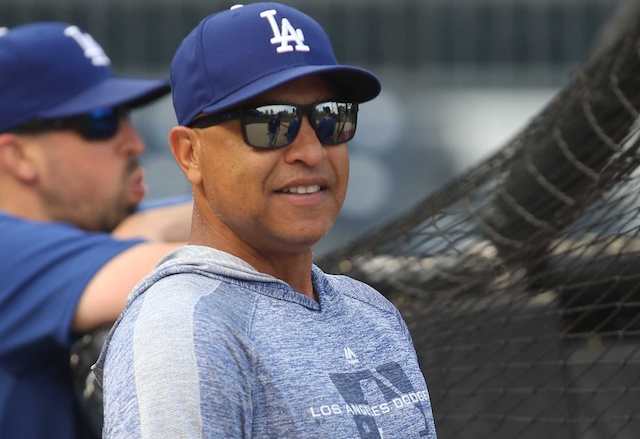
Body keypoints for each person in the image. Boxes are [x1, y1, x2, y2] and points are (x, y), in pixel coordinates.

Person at [95, 3, 437, 438]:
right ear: (189, 153)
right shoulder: (184, 331)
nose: (311, 152)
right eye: (272, 123)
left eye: (332, 117)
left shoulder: (372, 312)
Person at [0, 22, 191, 439]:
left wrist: (144, 228)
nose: (134, 142)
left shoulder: (86, 226)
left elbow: (210, 221)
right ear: (18, 157)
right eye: (101, 121)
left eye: (126, 115)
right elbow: (210, 269)